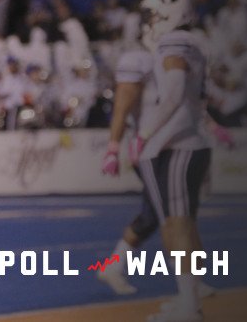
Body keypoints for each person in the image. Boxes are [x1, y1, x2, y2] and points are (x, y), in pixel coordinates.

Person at [98, 21, 215, 300]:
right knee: (169, 218)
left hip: (173, 144)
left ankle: (118, 268)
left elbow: (186, 102)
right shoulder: (140, 59)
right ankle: (187, 291)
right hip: (150, 147)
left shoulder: (174, 53)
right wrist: (113, 146)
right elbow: (122, 106)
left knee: (173, 216)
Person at [135, 0, 212, 322]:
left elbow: (176, 92)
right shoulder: (192, 42)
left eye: (153, 14)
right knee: (183, 224)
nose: (150, 22)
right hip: (191, 141)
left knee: (176, 225)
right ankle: (190, 298)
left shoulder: (174, 43)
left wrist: (147, 133)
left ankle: (188, 306)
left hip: (179, 144)